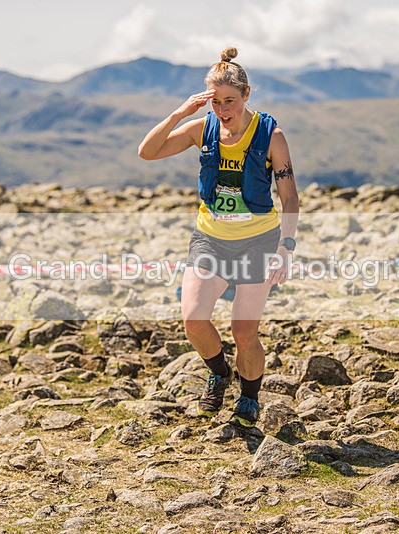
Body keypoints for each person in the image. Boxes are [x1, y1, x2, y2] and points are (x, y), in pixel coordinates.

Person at [138, 47, 299, 427]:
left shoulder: (271, 136)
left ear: (246, 95)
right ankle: (219, 373)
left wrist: (286, 247)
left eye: (230, 100)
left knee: (244, 332)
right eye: (215, 101)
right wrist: (181, 113)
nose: (223, 109)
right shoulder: (202, 128)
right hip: (210, 239)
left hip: (259, 241)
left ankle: (249, 397)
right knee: (194, 320)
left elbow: (290, 197)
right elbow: (147, 152)